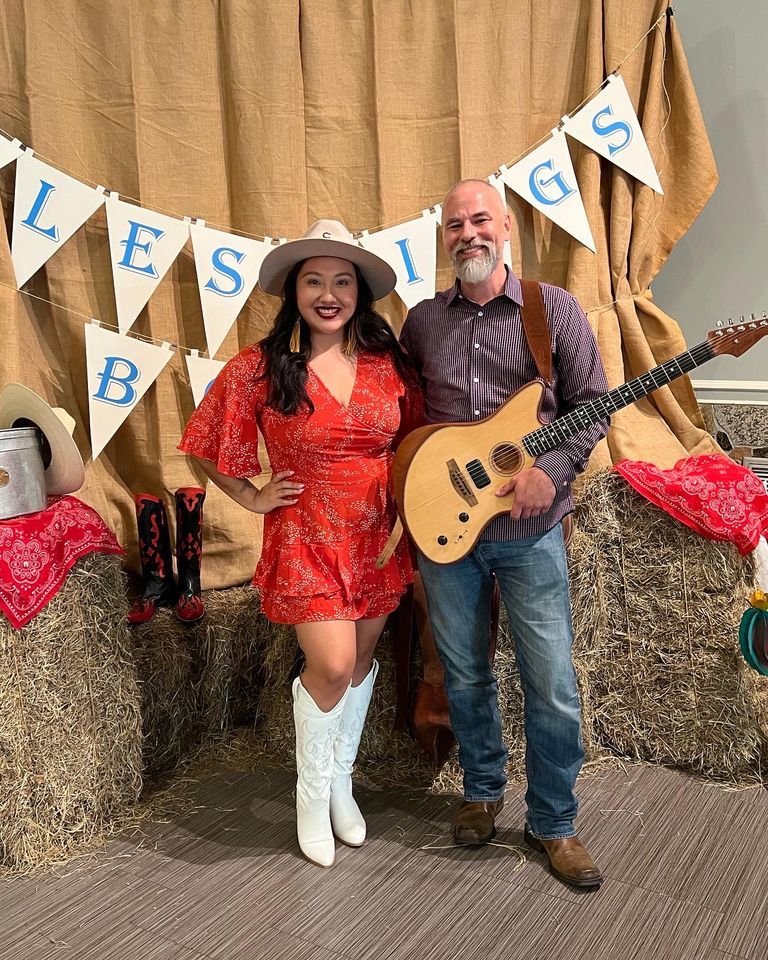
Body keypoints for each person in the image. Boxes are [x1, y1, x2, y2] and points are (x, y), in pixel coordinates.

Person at [179, 220, 422, 868]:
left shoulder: (386, 365)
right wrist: (253, 496)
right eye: (314, 279)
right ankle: (311, 795)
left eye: (342, 280)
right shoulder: (260, 366)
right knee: (334, 665)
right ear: (294, 289)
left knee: (364, 661)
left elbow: (421, 443)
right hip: (307, 538)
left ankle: (342, 780)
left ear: (358, 292)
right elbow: (204, 441)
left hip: (376, 536)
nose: (328, 292)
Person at [399, 180, 609, 888]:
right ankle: (482, 790)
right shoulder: (423, 321)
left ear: (508, 228)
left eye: (479, 219)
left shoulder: (554, 311)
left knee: (549, 681)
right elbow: (402, 417)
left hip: (531, 528)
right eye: (454, 224)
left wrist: (550, 470)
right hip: (446, 536)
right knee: (462, 670)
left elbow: (593, 408)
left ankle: (554, 822)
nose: (467, 233)